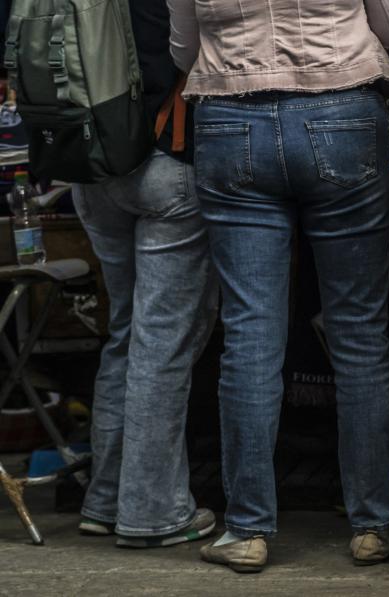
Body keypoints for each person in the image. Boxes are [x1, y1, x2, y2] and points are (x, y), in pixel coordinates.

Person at [168, 0, 389, 573]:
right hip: (342, 110)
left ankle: (247, 530)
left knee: (251, 336)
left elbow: (184, 48)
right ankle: (371, 525)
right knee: (358, 330)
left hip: (230, 117)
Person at [73, 1, 218, 548]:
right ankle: (153, 513)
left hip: (86, 164)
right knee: (162, 345)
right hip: (163, 159)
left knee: (128, 333)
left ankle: (106, 499)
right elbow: (190, 49)